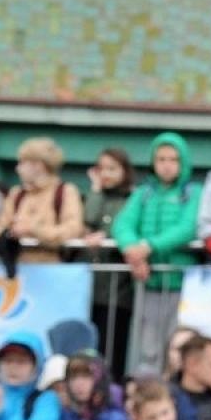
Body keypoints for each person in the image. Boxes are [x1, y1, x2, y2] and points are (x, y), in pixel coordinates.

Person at [111, 132, 202, 375]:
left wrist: (148, 247)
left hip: (181, 285)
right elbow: (122, 224)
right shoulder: (143, 194)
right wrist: (132, 251)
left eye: (173, 159)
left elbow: (187, 227)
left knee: (178, 349)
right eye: (161, 159)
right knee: (147, 348)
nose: (166, 165)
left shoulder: (193, 193)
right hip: (148, 283)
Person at [81, 147, 136, 370]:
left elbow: (129, 227)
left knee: (113, 345)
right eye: (102, 168)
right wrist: (95, 189)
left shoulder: (132, 198)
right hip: (91, 285)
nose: (106, 174)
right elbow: (89, 219)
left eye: (112, 169)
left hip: (118, 289)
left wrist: (108, 236)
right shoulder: (96, 196)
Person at [0, 136, 83, 263]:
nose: (18, 169)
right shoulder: (16, 194)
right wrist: (10, 232)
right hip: (17, 272)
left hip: (54, 271)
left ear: (38, 165)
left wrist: (34, 230)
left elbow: (73, 229)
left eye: (22, 163)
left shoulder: (65, 191)